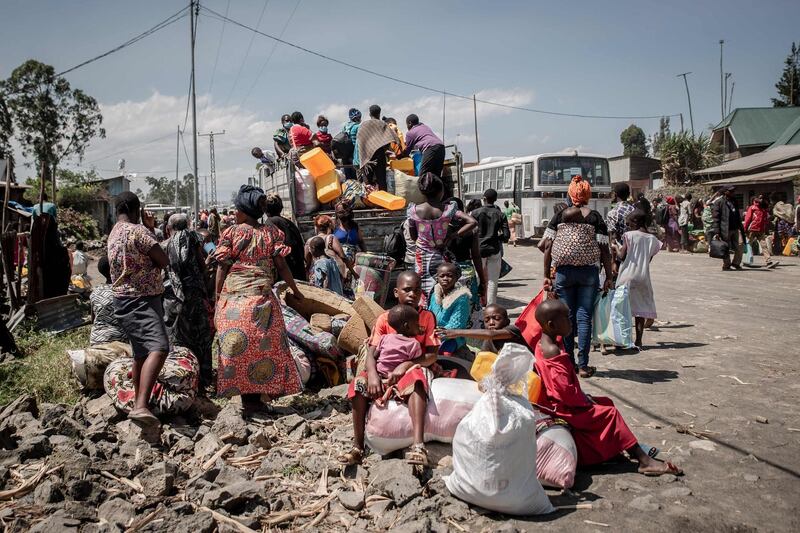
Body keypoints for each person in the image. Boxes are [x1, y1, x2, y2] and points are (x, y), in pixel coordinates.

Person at [534, 299, 683, 476]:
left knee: (606, 402)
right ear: (551, 324)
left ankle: (612, 450)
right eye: (566, 317)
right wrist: (583, 399)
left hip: (562, 401)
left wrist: (583, 395)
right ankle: (644, 460)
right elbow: (565, 392)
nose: (570, 320)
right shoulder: (553, 351)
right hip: (564, 407)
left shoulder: (544, 343)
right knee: (610, 414)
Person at [212, 185, 305, 412]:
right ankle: (258, 399)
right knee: (263, 348)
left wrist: (217, 297)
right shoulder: (270, 233)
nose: (235, 213)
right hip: (262, 302)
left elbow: (222, 268)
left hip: (234, 302)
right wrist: (295, 289)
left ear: (243, 210)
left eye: (236, 209)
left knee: (236, 349)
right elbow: (281, 266)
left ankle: (247, 400)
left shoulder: (231, 233)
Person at [339, 273, 439, 467]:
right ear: (396, 292)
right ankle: (358, 446)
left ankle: (418, 445)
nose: (413, 294)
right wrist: (373, 375)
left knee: (417, 382)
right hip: (382, 369)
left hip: (411, 367)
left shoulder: (426, 317)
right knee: (357, 385)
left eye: (417, 290)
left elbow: (432, 354)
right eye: (407, 290)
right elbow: (371, 353)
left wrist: (407, 365)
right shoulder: (385, 319)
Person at [107, 191, 170, 424]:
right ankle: (141, 405)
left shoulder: (113, 233)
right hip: (142, 299)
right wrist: (148, 226)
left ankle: (138, 402)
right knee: (160, 347)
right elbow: (163, 259)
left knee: (141, 352)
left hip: (122, 300)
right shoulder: (138, 231)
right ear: (137, 210)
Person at [541, 175, 612, 378]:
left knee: (567, 317)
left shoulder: (560, 216)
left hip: (563, 273)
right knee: (584, 317)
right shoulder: (595, 217)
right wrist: (608, 276)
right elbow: (605, 250)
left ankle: (569, 364)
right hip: (589, 273)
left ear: (571, 194)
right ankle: (583, 365)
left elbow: (547, 247)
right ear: (588, 195)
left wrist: (547, 275)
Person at [407, 173, 477, 305]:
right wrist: (452, 235)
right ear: (441, 191)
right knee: (444, 290)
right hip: (442, 257)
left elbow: (413, 236)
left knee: (423, 291)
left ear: (422, 192)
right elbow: (472, 222)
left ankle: (427, 318)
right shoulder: (448, 210)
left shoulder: (413, 211)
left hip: (422, 258)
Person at [162, 213, 214, 389]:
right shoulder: (195, 240)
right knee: (201, 335)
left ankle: (180, 377)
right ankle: (205, 376)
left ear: (169, 228)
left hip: (174, 298)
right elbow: (203, 266)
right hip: (196, 295)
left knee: (177, 337)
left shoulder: (165, 245)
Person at [616, 210, 661, 348]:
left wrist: (614, 247)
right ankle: (639, 340)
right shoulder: (653, 239)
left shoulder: (629, 235)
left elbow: (621, 256)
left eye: (629, 224)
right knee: (640, 311)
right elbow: (648, 260)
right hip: (642, 277)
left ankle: (622, 340)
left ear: (635, 222)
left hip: (627, 276)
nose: (628, 226)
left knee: (621, 310)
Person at [446, 197, 487, 323]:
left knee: (450, 307)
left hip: (448, 273)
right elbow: (476, 256)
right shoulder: (471, 230)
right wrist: (482, 280)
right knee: (470, 309)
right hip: (468, 273)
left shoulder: (442, 229)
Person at [440, 303, 530, 354]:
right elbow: (483, 358)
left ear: (507, 321)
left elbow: (492, 335)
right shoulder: (488, 340)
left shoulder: (513, 330)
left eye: (497, 318)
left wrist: (456, 332)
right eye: (487, 320)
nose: (491, 323)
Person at [472, 188, 510, 305]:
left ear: (484, 199)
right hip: (494, 249)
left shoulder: (475, 213)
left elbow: (470, 232)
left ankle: (476, 304)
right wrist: (495, 238)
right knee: (493, 280)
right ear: (495, 200)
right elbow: (506, 236)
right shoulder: (501, 214)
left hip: (478, 250)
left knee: (477, 278)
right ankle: (491, 306)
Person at [427, 263, 473, 360]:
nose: (445, 278)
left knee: (444, 355)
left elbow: (456, 324)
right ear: (437, 278)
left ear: (457, 277)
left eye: (450, 276)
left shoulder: (461, 298)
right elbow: (429, 313)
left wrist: (436, 334)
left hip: (452, 336)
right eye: (442, 276)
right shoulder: (435, 294)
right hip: (433, 333)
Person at [265, 193, 307, 281]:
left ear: (264, 209)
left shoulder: (270, 223)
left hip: (286, 274)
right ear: (281, 207)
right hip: (298, 271)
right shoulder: (289, 223)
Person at [355, 104, 397, 190]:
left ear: (370, 114)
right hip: (380, 155)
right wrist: (383, 149)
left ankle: (369, 202)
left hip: (367, 157)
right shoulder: (383, 124)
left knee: (368, 182)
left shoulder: (363, 125)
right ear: (379, 114)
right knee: (382, 181)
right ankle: (384, 200)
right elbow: (389, 139)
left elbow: (360, 141)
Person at [89, 255, 127, 345]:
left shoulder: (95, 292)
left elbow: (93, 319)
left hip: (96, 340)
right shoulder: (124, 291)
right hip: (121, 341)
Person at [401, 114, 446, 180]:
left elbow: (407, 150)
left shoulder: (410, 133)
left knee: (422, 175)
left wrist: (400, 157)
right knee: (436, 175)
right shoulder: (425, 127)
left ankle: (424, 190)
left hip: (430, 148)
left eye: (407, 124)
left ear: (409, 123)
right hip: (441, 147)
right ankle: (439, 190)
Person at [711, 185, 744, 271]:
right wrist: (717, 231)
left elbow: (737, 215)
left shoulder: (735, 201)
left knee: (740, 245)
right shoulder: (718, 202)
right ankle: (726, 265)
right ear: (725, 192)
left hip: (736, 228)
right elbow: (715, 218)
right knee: (725, 247)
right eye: (731, 191)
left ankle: (736, 263)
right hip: (725, 229)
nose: (733, 193)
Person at [743, 195, 776, 268]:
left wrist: (766, 229)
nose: (761, 200)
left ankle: (769, 261)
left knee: (764, 246)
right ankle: (745, 260)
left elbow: (765, 220)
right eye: (760, 198)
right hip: (752, 230)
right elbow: (747, 219)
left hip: (760, 230)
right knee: (748, 245)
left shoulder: (763, 209)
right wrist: (745, 229)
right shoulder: (752, 208)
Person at [606, 182, 635, 247]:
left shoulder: (612, 213)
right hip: (634, 249)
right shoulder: (634, 210)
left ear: (615, 195)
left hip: (620, 250)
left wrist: (613, 256)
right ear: (629, 194)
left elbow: (613, 237)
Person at [341, 108, 362, 181]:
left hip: (345, 154)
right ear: (358, 118)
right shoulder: (358, 126)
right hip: (354, 154)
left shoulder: (345, 126)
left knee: (348, 177)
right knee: (356, 177)